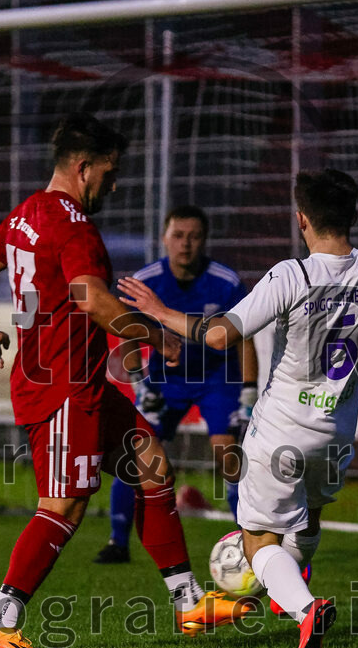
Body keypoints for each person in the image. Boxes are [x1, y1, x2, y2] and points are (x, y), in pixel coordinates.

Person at [118, 168, 358, 648]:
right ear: (353, 217)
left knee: (259, 538)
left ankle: (304, 607)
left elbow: (221, 335)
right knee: (307, 519)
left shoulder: (292, 275)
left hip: (280, 431)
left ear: (301, 219)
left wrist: (160, 311)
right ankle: (279, 588)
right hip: (337, 434)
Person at [0, 112, 252, 648]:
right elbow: (90, 299)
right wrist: (157, 339)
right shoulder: (74, 225)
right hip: (63, 388)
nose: (114, 184)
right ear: (83, 167)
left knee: (151, 465)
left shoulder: (27, 213)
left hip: (76, 380)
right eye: (110, 172)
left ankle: (188, 602)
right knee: (64, 506)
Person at [94, 205, 258, 564]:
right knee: (135, 454)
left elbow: (244, 336)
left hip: (218, 378)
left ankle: (250, 545)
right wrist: (140, 384)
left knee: (227, 453)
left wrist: (249, 387)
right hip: (166, 379)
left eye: (194, 236)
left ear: (205, 240)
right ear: (164, 238)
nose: (186, 244)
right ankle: (117, 541)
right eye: (178, 236)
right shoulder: (147, 280)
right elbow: (127, 331)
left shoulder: (226, 281)